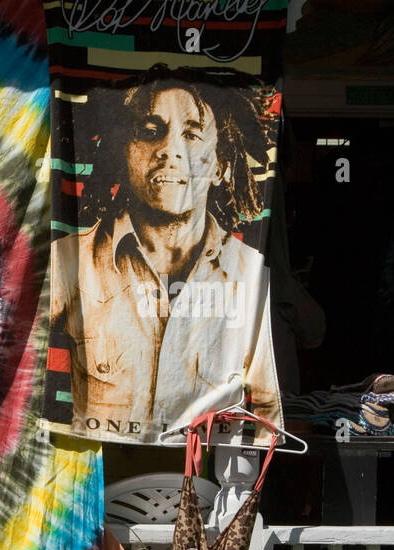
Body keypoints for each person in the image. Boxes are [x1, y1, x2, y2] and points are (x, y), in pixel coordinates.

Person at [50, 67, 282, 442]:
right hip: (98, 477)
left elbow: (264, 413)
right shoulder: (70, 260)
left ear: (221, 166)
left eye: (191, 135)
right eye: (149, 131)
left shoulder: (248, 271)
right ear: (122, 153)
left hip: (205, 474)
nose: (169, 150)